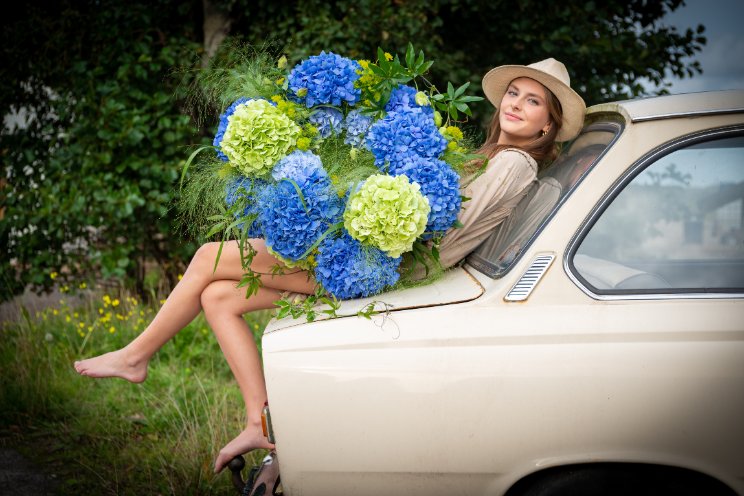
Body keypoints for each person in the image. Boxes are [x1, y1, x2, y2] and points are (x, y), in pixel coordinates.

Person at [73, 57, 586, 474]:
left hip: (381, 263)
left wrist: (353, 213)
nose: (517, 104)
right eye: (514, 94)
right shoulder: (491, 155)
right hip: (378, 252)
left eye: (533, 100)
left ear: (548, 123)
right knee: (219, 296)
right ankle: (260, 423)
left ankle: (136, 357)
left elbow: (440, 229)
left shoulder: (514, 164)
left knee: (209, 258)